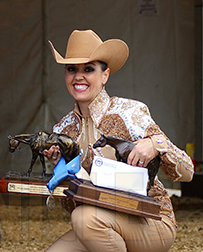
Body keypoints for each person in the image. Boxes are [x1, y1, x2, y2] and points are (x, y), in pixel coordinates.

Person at [44, 30, 194, 252]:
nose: (78, 77)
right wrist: (60, 170)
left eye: (88, 69)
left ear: (105, 75)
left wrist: (155, 144)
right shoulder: (62, 129)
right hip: (99, 222)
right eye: (71, 69)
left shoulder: (130, 112)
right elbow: (72, 203)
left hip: (150, 221)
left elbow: (187, 172)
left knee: (84, 219)